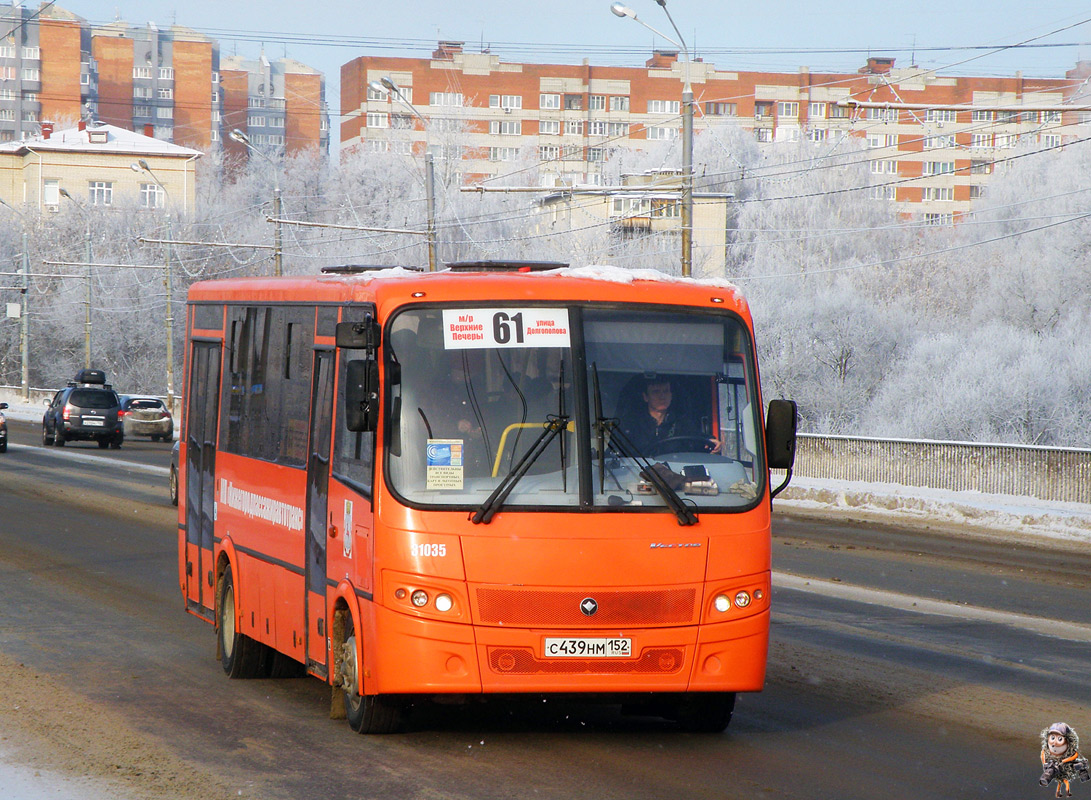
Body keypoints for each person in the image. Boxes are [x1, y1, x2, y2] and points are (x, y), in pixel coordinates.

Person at [617, 378, 721, 457]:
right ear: (645, 397)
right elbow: (616, 452)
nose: (662, 396)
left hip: (673, 476)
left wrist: (711, 441)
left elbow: (698, 438)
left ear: (671, 395)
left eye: (666, 391)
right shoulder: (631, 424)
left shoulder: (682, 422)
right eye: (656, 392)